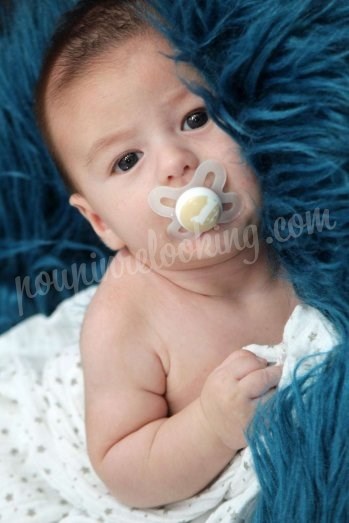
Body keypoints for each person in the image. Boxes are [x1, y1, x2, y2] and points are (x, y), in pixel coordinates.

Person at [35, 0, 299, 509]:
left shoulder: (300, 231)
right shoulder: (126, 319)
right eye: (128, 159)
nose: (177, 163)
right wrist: (210, 426)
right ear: (102, 223)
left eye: (195, 117)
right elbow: (124, 470)